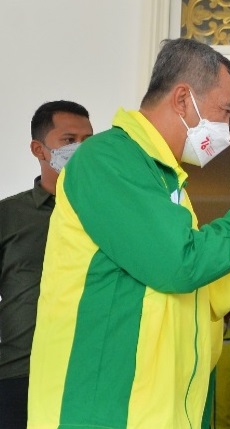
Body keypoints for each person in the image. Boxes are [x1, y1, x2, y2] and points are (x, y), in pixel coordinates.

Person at [27, 38, 230, 429]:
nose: (227, 129)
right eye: (225, 112)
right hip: (108, 413)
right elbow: (178, 264)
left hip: (160, 413)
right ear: (183, 99)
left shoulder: (167, 185)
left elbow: (209, 292)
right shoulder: (107, 159)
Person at [0, 101, 92, 429]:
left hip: (84, 373)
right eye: (69, 140)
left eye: (88, 140)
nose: (81, 148)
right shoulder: (8, 216)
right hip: (16, 374)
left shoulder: (103, 216)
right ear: (39, 149)